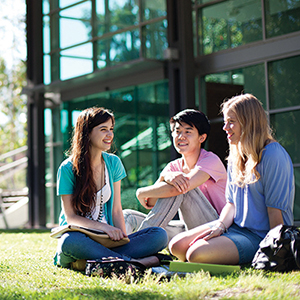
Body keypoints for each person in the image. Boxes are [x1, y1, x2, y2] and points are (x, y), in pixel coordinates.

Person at [169, 94, 295, 265]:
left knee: (195, 254)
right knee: (176, 245)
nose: (225, 127)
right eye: (225, 121)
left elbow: (275, 213)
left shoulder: (273, 155)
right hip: (234, 228)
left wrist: (274, 252)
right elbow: (231, 204)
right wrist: (219, 227)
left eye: (231, 122)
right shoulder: (235, 156)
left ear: (248, 122)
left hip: (261, 235)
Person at [54, 107, 168, 270]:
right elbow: (71, 217)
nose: (110, 135)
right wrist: (105, 227)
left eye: (111, 129)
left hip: (108, 241)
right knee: (68, 241)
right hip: (80, 239)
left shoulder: (113, 163)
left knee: (159, 235)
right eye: (103, 130)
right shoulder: (67, 168)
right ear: (87, 132)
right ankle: (135, 263)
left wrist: (122, 238)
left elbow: (116, 210)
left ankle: (101, 261)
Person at [123, 109, 227, 240]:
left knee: (181, 187)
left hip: (217, 229)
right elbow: (151, 201)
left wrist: (140, 193)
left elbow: (176, 189)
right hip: (188, 228)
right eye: (177, 131)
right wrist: (164, 177)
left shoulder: (211, 160)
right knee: (128, 216)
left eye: (188, 132)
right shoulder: (173, 166)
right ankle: (118, 251)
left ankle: (139, 243)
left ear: (202, 137)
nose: (181, 136)